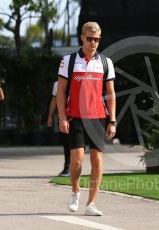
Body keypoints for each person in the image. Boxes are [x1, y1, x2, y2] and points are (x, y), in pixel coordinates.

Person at [57, 21, 116, 216]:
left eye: (97, 39)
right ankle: (75, 190)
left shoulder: (106, 63)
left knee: (97, 161)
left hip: (98, 118)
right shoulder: (69, 60)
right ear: (82, 37)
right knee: (77, 160)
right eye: (90, 39)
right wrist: (62, 117)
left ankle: (91, 204)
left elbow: (111, 94)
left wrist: (112, 120)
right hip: (75, 117)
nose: (93, 43)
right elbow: (61, 92)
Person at [47, 80, 70, 177]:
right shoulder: (57, 83)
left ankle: (71, 166)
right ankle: (68, 166)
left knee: (74, 143)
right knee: (66, 142)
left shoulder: (78, 80)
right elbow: (54, 100)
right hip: (63, 117)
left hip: (77, 116)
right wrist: (50, 116)